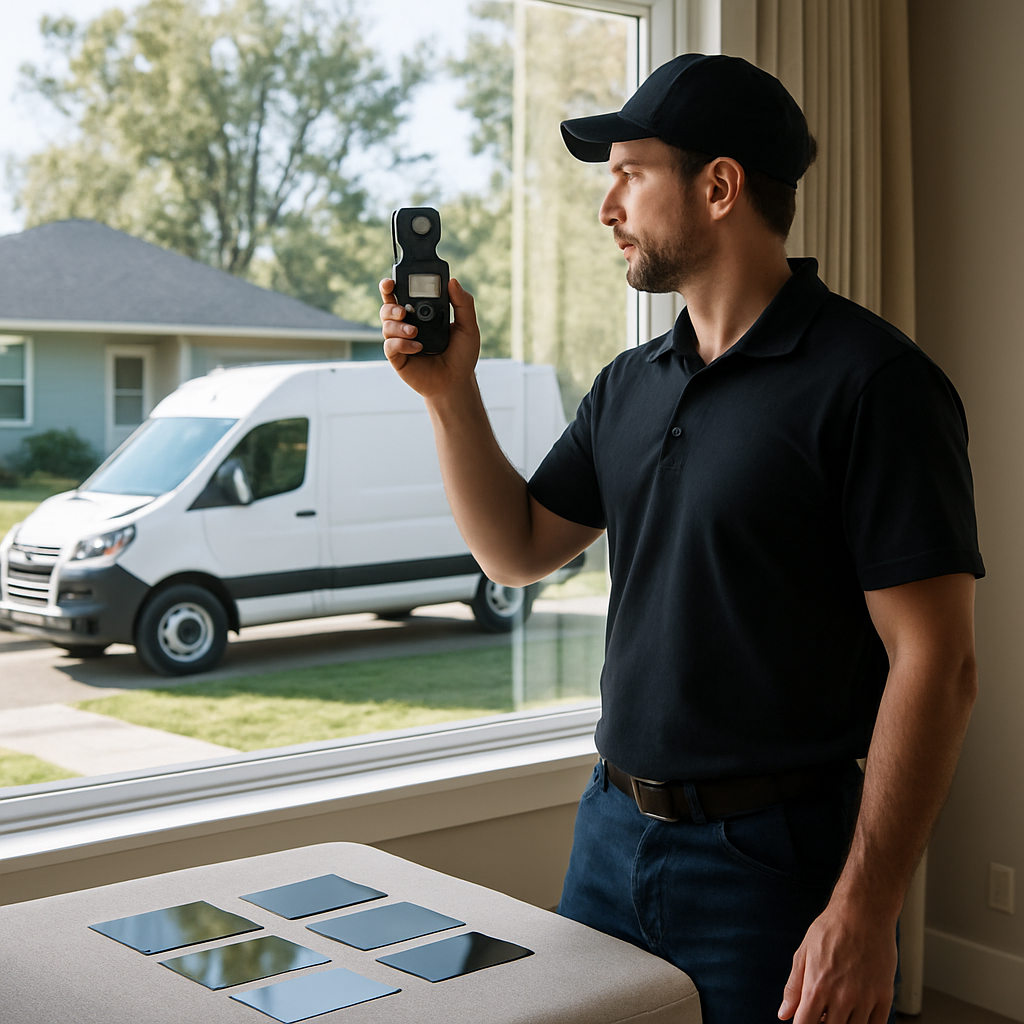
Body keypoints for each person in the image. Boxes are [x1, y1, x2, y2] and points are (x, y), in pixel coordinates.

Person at [379, 53, 983, 1024]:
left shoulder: (873, 384)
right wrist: (450, 396)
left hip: (770, 862)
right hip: (608, 834)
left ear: (717, 186)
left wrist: (865, 907)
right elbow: (520, 548)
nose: (605, 206)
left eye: (628, 174)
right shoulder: (629, 384)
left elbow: (937, 661)